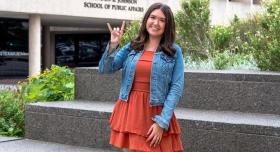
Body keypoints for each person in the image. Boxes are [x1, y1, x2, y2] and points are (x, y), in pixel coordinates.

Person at [99, 3, 184, 152]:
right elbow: (106, 69)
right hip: (130, 110)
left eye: (162, 20)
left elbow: (176, 87)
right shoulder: (133, 46)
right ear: (146, 20)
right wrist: (113, 45)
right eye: (152, 17)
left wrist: (162, 122)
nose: (156, 23)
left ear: (167, 25)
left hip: (156, 113)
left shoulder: (174, 51)